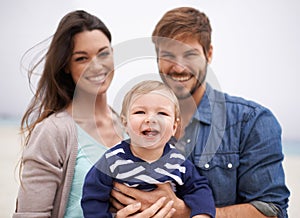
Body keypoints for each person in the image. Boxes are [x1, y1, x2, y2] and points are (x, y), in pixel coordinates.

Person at [110, 6, 290, 218]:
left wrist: (187, 213)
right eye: (168, 55)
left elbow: (271, 211)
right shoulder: (134, 121)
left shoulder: (251, 121)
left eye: (190, 55)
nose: (178, 68)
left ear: (209, 54)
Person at [13, 10, 173, 218]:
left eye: (103, 53)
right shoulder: (52, 133)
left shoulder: (133, 125)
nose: (97, 66)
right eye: (82, 58)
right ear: (66, 67)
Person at [81, 80, 216, 218]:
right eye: (140, 112)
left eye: (162, 113)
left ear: (174, 127)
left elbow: (199, 188)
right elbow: (92, 197)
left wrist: (201, 214)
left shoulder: (178, 162)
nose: (151, 119)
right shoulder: (112, 160)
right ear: (125, 123)